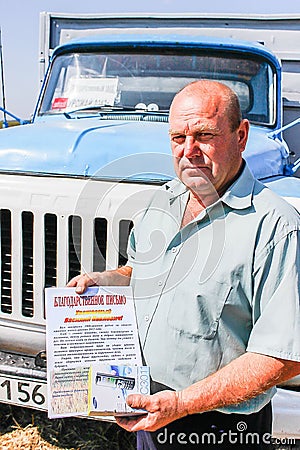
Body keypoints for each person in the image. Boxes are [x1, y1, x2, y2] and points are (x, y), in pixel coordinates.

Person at [68, 80, 300, 449]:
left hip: (217, 429)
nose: (188, 151)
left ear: (241, 136)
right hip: (149, 411)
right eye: (178, 138)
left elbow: (283, 358)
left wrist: (181, 404)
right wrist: (106, 281)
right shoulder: (163, 200)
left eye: (204, 135)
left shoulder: (277, 228)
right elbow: (138, 271)